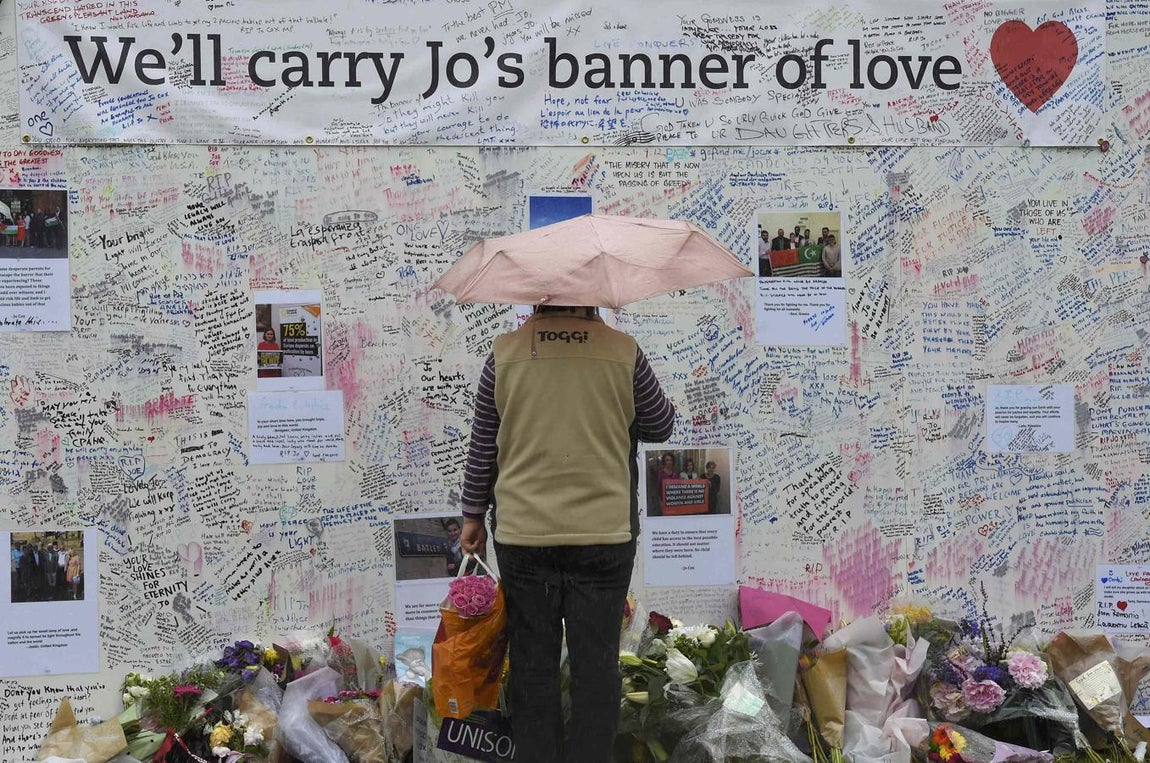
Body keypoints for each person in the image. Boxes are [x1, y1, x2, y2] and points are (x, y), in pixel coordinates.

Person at [460, 304, 675, 763]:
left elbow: (483, 445)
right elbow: (661, 424)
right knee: (595, 668)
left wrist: (472, 515)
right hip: (604, 535)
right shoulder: (624, 352)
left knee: (533, 668)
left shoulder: (504, 354)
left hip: (524, 537)